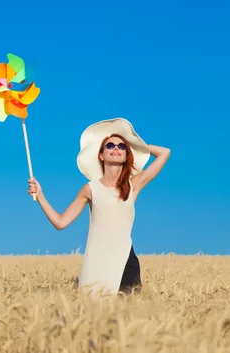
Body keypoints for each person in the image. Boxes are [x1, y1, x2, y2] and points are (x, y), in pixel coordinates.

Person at [27, 118, 170, 297]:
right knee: (94, 318)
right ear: (101, 155)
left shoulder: (133, 185)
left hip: (125, 260)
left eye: (122, 146)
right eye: (110, 146)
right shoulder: (90, 189)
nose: (116, 148)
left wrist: (136, 144)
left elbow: (165, 153)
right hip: (96, 263)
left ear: (127, 155)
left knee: (128, 316)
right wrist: (40, 196)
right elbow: (60, 222)